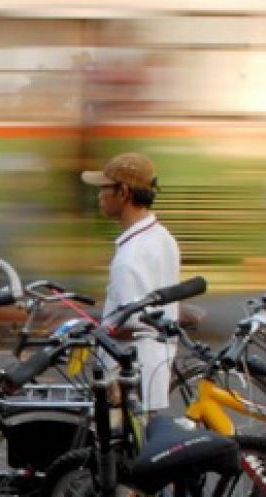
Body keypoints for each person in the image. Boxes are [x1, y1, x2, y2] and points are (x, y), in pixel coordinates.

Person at [82, 152, 180, 411]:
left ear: (123, 193)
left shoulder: (132, 255)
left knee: (129, 446)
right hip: (156, 361)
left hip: (132, 371)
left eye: (104, 188)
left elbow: (132, 322)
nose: (99, 196)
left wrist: (92, 329)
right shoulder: (162, 236)